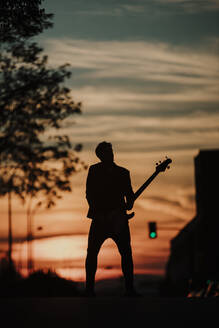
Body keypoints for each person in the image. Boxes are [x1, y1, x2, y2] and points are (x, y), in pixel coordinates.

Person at [85, 141, 139, 297]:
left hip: (119, 221)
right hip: (100, 220)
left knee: (126, 253)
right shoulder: (94, 171)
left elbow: (129, 198)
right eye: (107, 152)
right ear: (100, 155)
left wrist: (130, 200)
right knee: (92, 253)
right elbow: (90, 194)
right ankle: (89, 290)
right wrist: (100, 214)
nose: (111, 154)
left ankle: (129, 289)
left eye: (111, 151)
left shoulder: (123, 173)